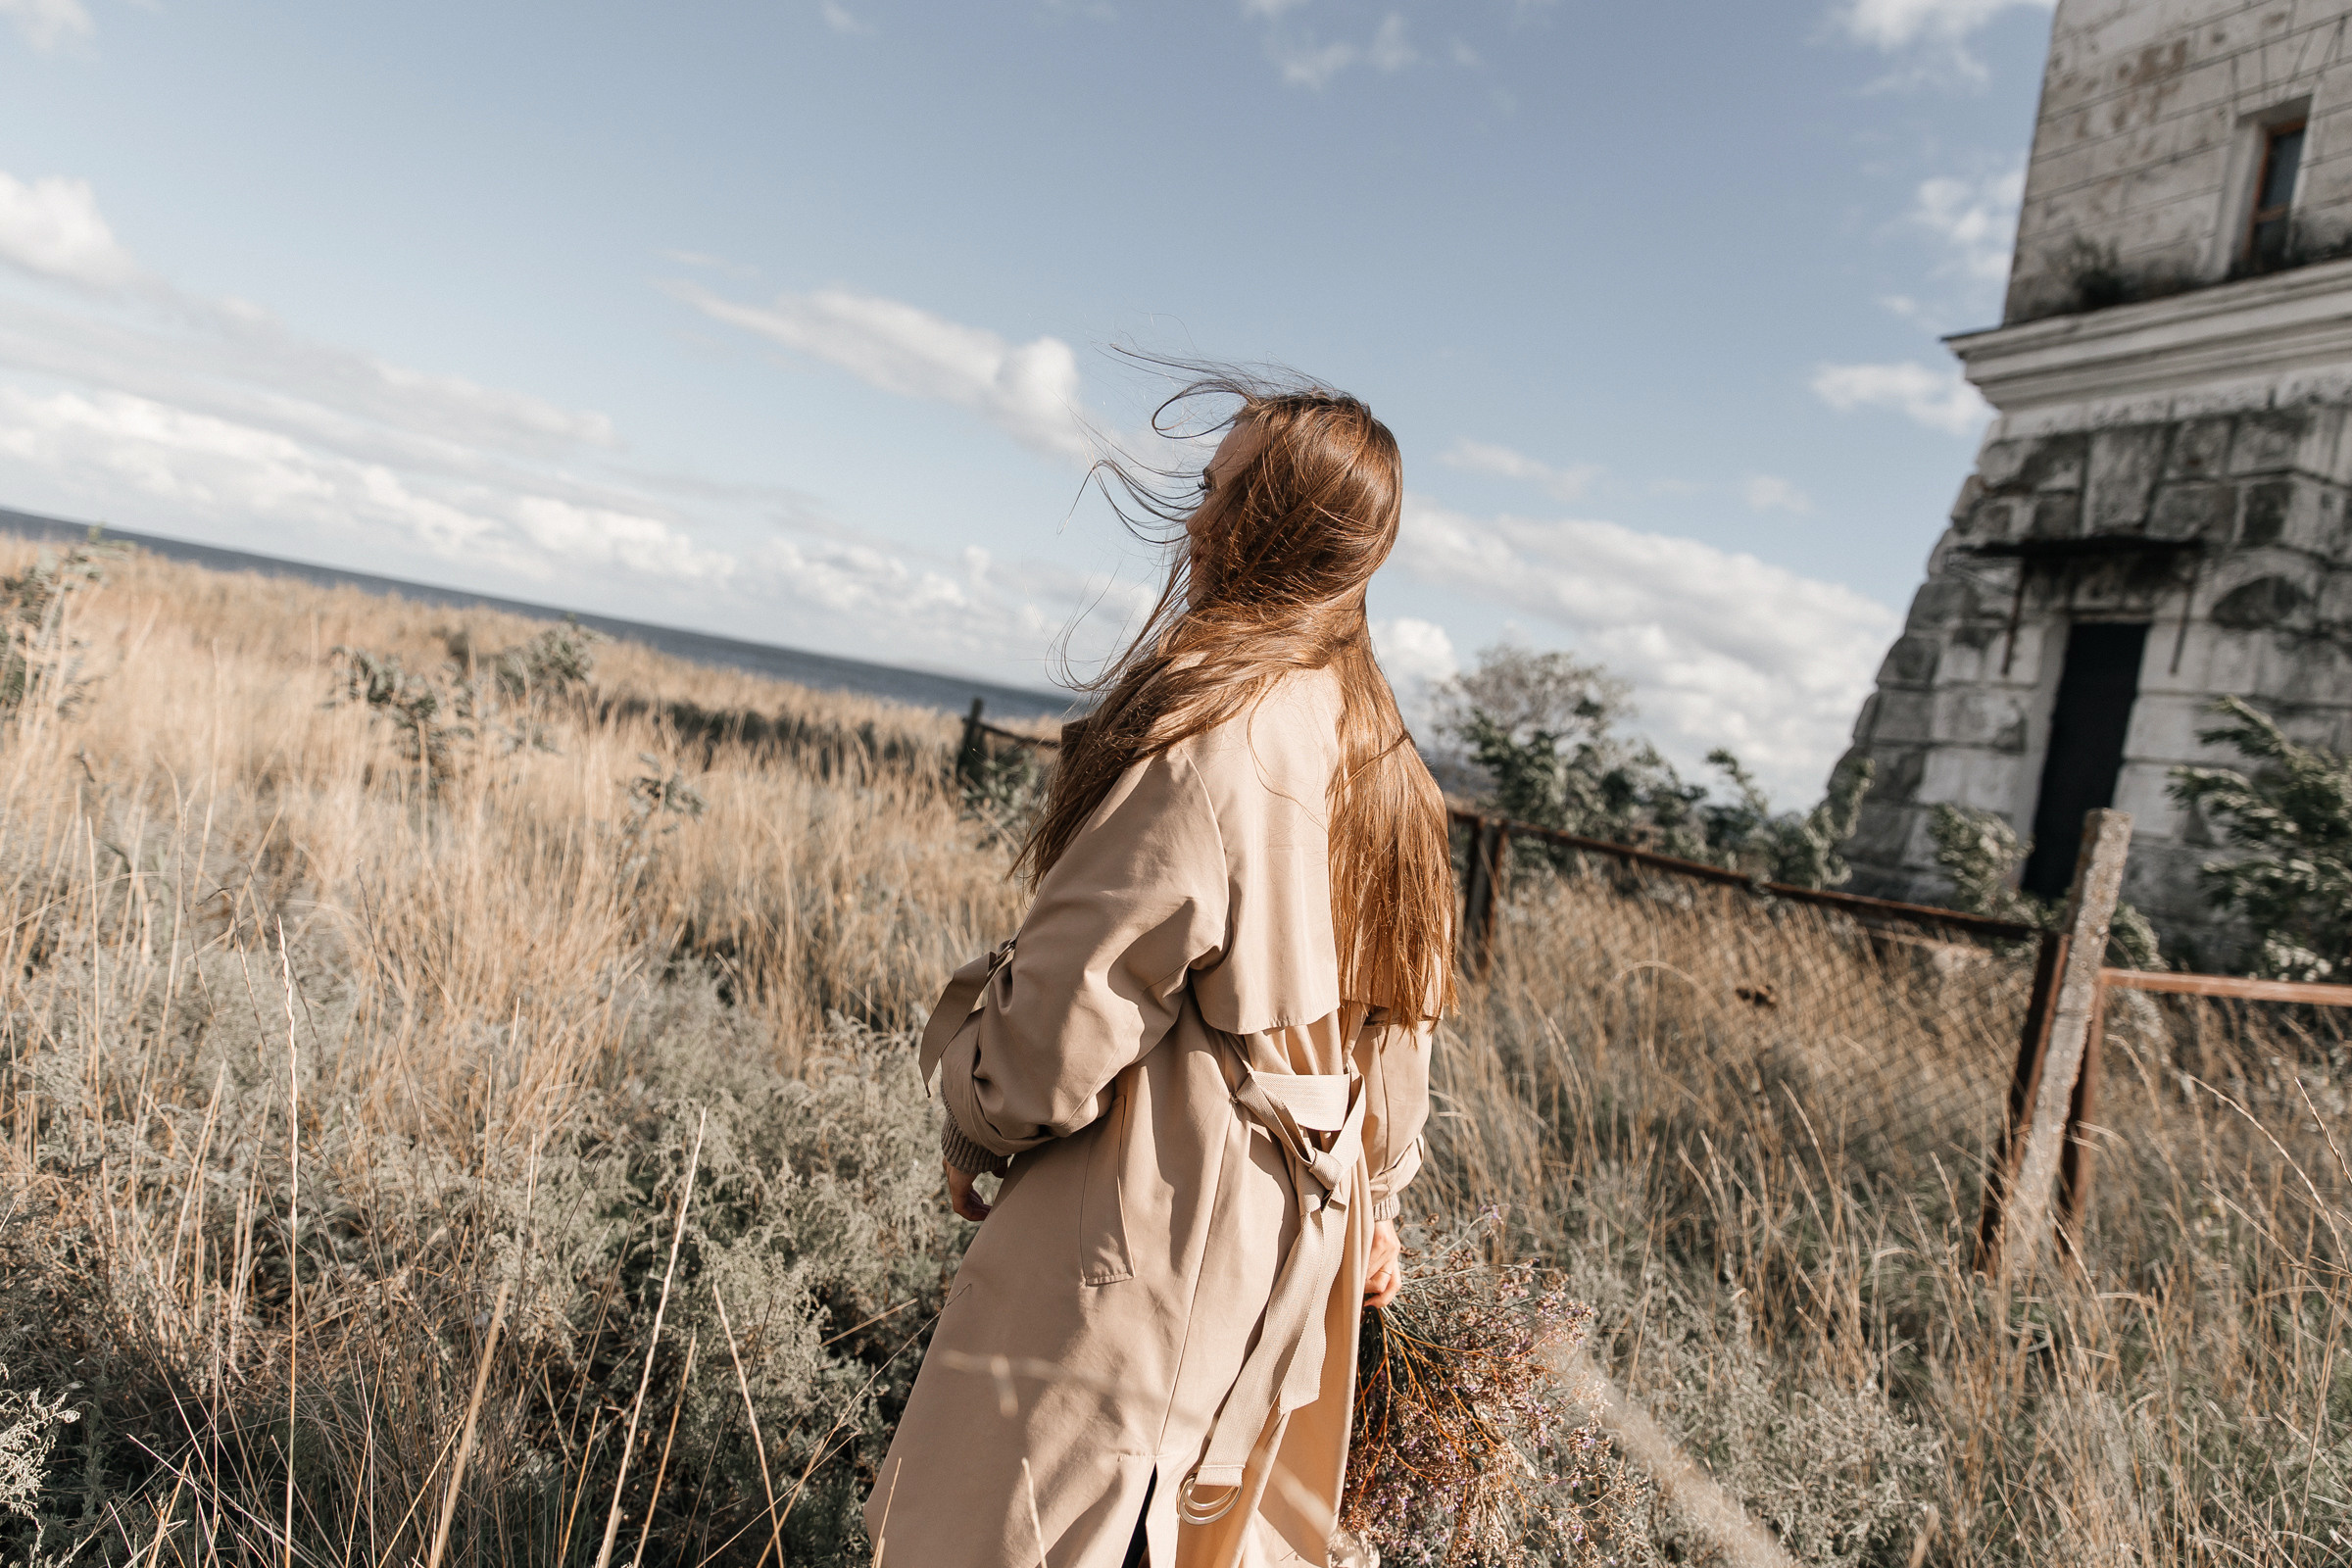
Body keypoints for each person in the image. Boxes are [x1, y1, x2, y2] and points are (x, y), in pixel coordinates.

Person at [866, 375, 1454, 1568]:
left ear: (1274, 527)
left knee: (1051, 1526)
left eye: (1219, 491)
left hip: (1146, 1233)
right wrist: (1379, 1206)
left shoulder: (1210, 737)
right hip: (1298, 1262)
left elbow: (1051, 1045)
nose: (1193, 520)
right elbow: (1400, 1040)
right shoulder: (1394, 767)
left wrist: (973, 1121)